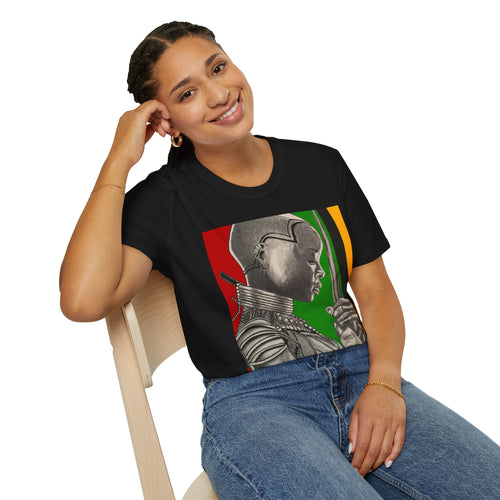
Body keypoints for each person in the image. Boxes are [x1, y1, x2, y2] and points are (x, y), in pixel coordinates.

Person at [60, 21, 500, 499]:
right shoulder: (163, 201)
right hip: (256, 406)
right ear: (167, 124)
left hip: (365, 375)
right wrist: (118, 160)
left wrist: (385, 384)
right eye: (187, 93)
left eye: (218, 68)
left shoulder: (322, 165)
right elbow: (83, 301)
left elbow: (375, 292)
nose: (219, 94)